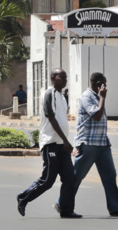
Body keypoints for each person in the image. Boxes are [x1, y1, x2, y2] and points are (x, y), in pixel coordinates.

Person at [16, 69, 80, 218]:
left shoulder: (62, 97)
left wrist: (65, 141)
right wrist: (66, 140)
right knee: (48, 180)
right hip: (51, 143)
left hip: (62, 145)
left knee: (69, 178)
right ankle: (23, 198)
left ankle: (66, 210)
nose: (65, 80)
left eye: (66, 77)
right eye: (61, 77)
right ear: (53, 78)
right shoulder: (49, 94)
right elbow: (51, 117)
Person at [71, 71, 118, 217]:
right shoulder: (86, 97)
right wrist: (103, 97)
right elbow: (97, 116)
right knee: (77, 176)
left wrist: (101, 97)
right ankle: (62, 203)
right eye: (104, 84)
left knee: (110, 176)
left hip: (102, 143)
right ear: (97, 84)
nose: (106, 87)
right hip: (88, 143)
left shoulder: (97, 97)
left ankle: (116, 208)